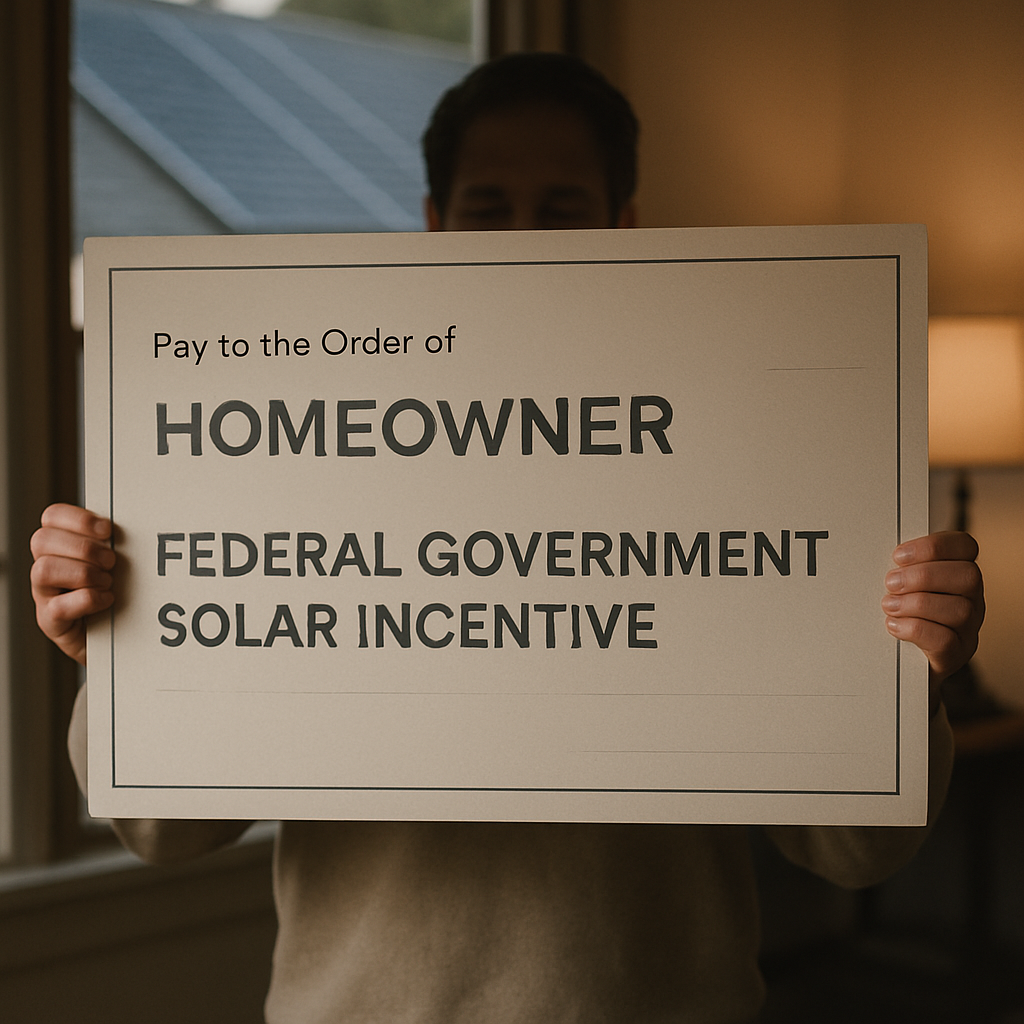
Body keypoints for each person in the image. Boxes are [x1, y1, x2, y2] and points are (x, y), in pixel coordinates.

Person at [31, 53, 983, 1024]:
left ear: (624, 227)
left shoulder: (750, 451)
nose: (525, 239)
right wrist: (118, 647)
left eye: (561, 209)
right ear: (436, 224)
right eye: (489, 208)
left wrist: (911, 678)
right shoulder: (304, 452)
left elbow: (853, 847)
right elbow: (161, 826)